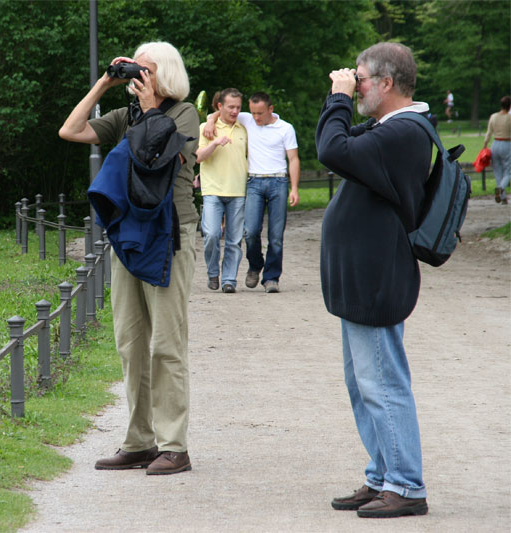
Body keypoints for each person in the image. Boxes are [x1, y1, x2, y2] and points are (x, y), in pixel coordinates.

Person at [59, 41, 198, 475]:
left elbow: (155, 151)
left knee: (166, 345)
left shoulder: (183, 113)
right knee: (131, 342)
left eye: (148, 70)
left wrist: (152, 104)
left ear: (167, 75)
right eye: (137, 71)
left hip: (170, 235)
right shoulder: (125, 116)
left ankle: (174, 446)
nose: (140, 78)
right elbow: (71, 130)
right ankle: (139, 441)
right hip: (128, 236)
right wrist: (104, 82)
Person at [316, 42, 431, 518]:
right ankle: (382, 474)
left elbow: (329, 147)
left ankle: (405, 485)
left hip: (376, 275)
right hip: (361, 275)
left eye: (360, 78)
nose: (353, 84)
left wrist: (339, 99)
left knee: (383, 383)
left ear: (386, 83)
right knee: (364, 383)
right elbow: (340, 146)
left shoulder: (405, 130)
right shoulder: (389, 127)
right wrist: (343, 99)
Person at [203, 92, 300, 293]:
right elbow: (220, 112)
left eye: (260, 113)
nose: (255, 117)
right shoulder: (246, 119)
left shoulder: (285, 129)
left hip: (278, 181)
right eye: (253, 113)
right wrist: (211, 121)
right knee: (250, 232)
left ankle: (271, 278)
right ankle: (255, 264)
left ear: (271, 109)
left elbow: (294, 159)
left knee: (275, 235)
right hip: (254, 182)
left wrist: (295, 188)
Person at [196, 88, 248, 293]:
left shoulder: (244, 127)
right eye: (231, 107)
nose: (235, 111)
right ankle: (212, 273)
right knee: (211, 234)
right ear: (220, 106)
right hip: (212, 190)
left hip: (238, 190)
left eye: (238, 107)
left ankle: (229, 280)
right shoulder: (206, 128)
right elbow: (198, 157)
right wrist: (215, 142)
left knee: (234, 240)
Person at [483, 95, 511, 204]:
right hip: (507, 144)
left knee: (497, 171)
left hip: (495, 144)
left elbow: (488, 133)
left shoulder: (493, 116)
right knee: (508, 171)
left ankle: (503, 197)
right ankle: (501, 188)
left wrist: (485, 146)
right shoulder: (509, 118)